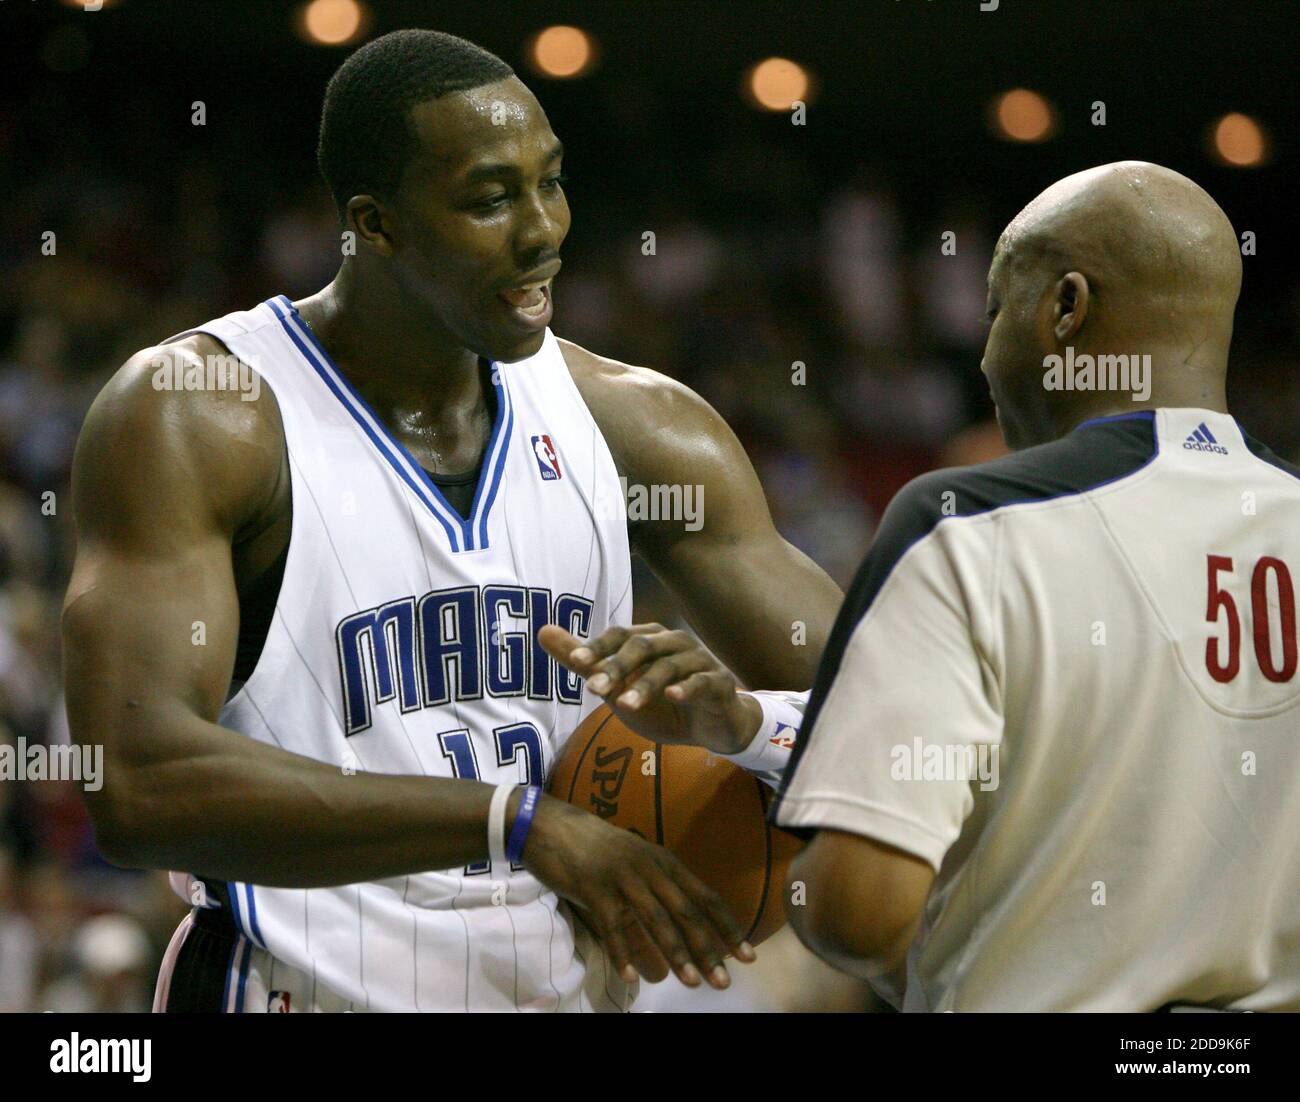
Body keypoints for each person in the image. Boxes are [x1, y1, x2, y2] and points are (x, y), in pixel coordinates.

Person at [61, 29, 842, 1013]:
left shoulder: (646, 429)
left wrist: (740, 723)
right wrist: (514, 822)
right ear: (374, 225)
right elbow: (134, 783)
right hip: (297, 989)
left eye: (550, 182)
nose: (542, 230)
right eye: (489, 199)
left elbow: (899, 720)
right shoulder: (201, 413)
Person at [561, 163, 1300, 1012]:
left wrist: (781, 860)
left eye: (994, 313)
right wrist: (752, 728)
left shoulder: (966, 521)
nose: (985, 356)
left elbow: (860, 917)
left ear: (1066, 309)